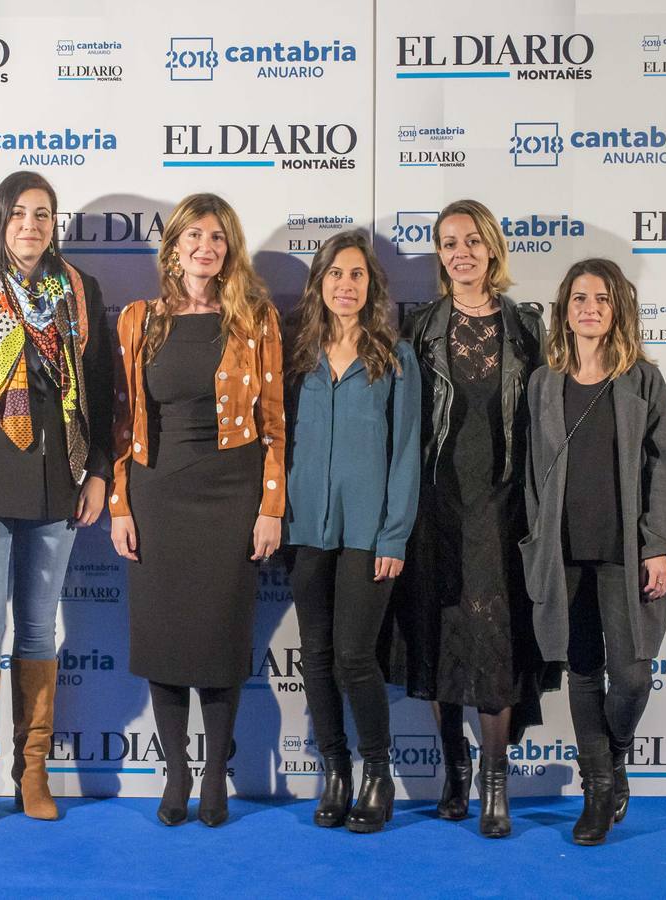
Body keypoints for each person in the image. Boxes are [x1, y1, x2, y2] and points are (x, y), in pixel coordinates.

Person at [0, 171, 114, 826]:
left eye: (43, 214)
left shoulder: (81, 294)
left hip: (60, 490)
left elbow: (102, 395)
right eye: (19, 214)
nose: (31, 225)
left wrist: (97, 474)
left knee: (40, 628)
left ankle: (32, 775)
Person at [110, 193, 284, 828]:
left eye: (217, 237)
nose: (205, 247)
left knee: (218, 637)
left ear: (229, 249)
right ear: (174, 246)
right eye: (194, 236)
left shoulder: (257, 320)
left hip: (231, 493)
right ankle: (177, 772)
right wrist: (120, 505)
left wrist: (271, 509)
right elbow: (122, 422)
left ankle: (216, 776)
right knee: (163, 639)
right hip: (157, 494)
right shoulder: (137, 319)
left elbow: (274, 427)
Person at [398, 199, 552, 837]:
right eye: (448, 242)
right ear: (439, 254)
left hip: (503, 505)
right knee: (438, 635)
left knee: (494, 641)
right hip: (435, 503)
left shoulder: (524, 327)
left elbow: (544, 420)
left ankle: (496, 784)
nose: (460, 252)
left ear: (492, 248)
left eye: (471, 241)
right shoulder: (421, 327)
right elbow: (404, 422)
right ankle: (454, 772)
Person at [522, 258, 666, 846]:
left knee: (633, 675)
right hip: (562, 553)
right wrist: (536, 540)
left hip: (626, 552)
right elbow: (534, 474)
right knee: (583, 671)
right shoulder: (544, 382)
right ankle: (596, 792)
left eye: (603, 299)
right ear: (564, 309)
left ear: (618, 309)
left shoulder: (642, 380)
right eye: (580, 298)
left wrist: (659, 545)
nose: (590, 308)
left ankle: (613, 758)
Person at [284, 230, 420, 833]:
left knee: (353, 656)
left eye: (357, 275)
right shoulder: (296, 356)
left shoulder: (395, 357)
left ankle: (376, 774)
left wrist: (394, 536)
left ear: (373, 286)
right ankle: (334, 772)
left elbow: (407, 453)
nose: (346, 284)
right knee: (314, 656)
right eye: (335, 273)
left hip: (369, 532)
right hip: (305, 526)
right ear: (320, 282)